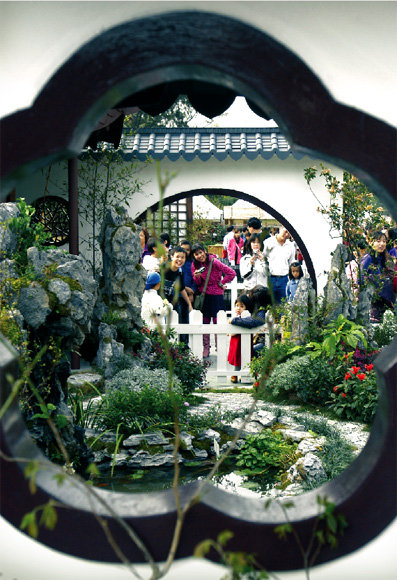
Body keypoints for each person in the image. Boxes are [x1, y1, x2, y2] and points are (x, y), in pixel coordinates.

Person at [191, 243, 236, 358]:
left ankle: (219, 347)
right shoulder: (194, 265)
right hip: (204, 295)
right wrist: (196, 276)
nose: (199, 256)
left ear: (204, 251)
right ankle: (206, 348)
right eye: (196, 254)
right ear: (193, 256)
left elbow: (232, 273)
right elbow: (198, 283)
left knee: (218, 322)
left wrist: (221, 282)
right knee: (205, 323)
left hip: (217, 296)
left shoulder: (214, 261)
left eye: (200, 252)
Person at [361, 230, 395, 322]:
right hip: (373, 302)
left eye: (384, 241)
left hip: (384, 300)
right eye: (378, 241)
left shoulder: (383, 258)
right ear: (371, 242)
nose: (382, 244)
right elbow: (361, 277)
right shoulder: (368, 258)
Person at [231, 285, 273, 356]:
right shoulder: (255, 309)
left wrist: (235, 320)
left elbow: (255, 321)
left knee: (249, 352)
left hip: (264, 343)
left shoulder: (261, 311)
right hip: (256, 341)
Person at [262, 227, 295, 303]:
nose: (286, 234)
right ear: (280, 229)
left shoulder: (290, 245)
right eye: (285, 231)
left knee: (282, 305)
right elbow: (263, 258)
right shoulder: (268, 242)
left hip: (284, 279)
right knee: (269, 304)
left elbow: (291, 262)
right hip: (271, 278)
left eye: (289, 233)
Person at [160, 246, 193, 320]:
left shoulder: (180, 272)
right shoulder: (163, 268)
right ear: (171, 257)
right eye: (177, 257)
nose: (180, 259)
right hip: (159, 302)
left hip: (170, 302)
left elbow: (182, 289)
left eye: (183, 257)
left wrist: (189, 304)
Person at [227, 294, 253, 383]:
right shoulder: (235, 317)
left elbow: (236, 330)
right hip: (235, 342)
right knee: (236, 358)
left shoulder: (247, 318)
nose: (238, 308)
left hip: (241, 341)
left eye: (241, 306)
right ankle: (235, 374)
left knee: (243, 357)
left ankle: (242, 374)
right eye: (237, 306)